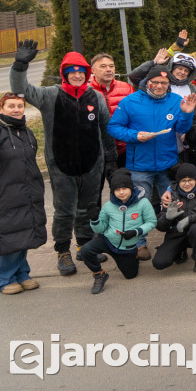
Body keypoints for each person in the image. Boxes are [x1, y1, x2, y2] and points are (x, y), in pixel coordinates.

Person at [12, 42, 117, 276]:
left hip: (91, 164)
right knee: (64, 211)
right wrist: (20, 65)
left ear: (87, 74)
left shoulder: (96, 97)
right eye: (72, 72)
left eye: (81, 72)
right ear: (64, 74)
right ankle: (62, 250)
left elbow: (105, 127)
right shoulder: (50, 96)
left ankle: (84, 245)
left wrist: (109, 158)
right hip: (61, 165)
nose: (77, 75)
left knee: (87, 208)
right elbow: (21, 90)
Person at [107, 65, 196, 259]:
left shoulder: (176, 101)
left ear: (169, 84)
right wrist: (134, 135)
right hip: (139, 166)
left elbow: (182, 128)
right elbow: (113, 127)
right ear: (147, 83)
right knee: (139, 205)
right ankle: (139, 245)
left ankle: (175, 243)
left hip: (168, 165)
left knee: (173, 205)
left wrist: (188, 113)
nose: (159, 86)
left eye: (163, 83)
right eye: (154, 82)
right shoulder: (130, 101)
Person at [81, 169, 157, 295]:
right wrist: (94, 220)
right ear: (112, 191)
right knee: (85, 250)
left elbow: (152, 222)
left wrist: (136, 232)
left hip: (127, 247)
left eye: (124, 188)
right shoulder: (109, 205)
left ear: (131, 188)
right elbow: (101, 229)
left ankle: (134, 256)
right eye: (117, 190)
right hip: (108, 240)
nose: (121, 192)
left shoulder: (143, 203)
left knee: (130, 275)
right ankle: (99, 275)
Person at [0, 93, 46, 295]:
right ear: (2, 109)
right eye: (11, 106)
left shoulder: (25, 131)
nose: (16, 109)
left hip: (28, 191)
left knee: (25, 232)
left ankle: (22, 273)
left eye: (20, 105)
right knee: (9, 235)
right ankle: (4, 278)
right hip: (6, 192)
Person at [153, 163, 196, 277]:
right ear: (178, 181)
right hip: (177, 232)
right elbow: (160, 227)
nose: (187, 183)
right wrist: (167, 217)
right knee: (159, 263)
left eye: (190, 180)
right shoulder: (171, 194)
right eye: (183, 180)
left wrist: (191, 218)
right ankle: (180, 250)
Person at [89, 53, 134, 173]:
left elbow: (135, 118)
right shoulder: (86, 91)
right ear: (92, 70)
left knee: (124, 188)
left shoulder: (127, 88)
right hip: (96, 152)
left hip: (124, 150)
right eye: (103, 66)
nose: (108, 69)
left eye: (111, 66)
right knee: (94, 190)